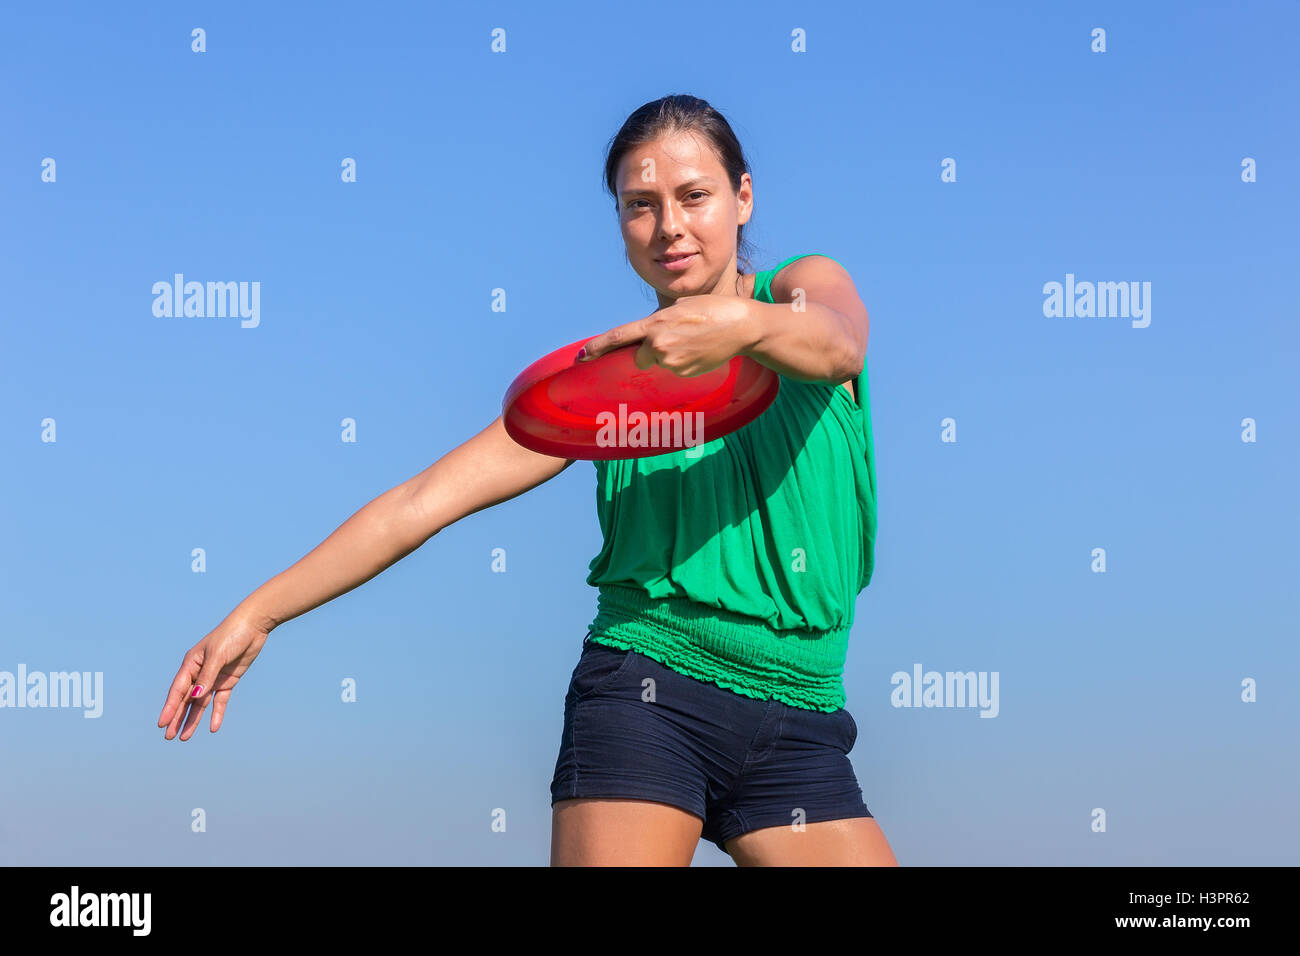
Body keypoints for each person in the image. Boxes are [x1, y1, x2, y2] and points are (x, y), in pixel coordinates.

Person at [157, 93, 898, 867]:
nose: (669, 226)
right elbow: (422, 502)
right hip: (648, 698)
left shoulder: (800, 289)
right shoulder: (604, 387)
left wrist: (742, 326)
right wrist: (259, 613)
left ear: (743, 197)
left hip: (802, 720)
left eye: (695, 196)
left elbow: (838, 342)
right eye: (639, 205)